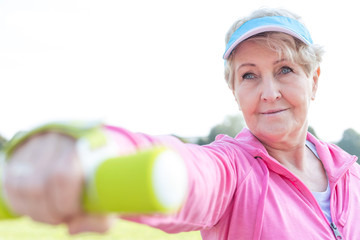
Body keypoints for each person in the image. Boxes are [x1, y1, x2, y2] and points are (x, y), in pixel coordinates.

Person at [3, 8, 360, 240]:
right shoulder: (233, 169)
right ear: (234, 90)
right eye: (249, 76)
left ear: (313, 79)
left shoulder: (351, 177)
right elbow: (193, 173)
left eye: (284, 70)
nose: (268, 93)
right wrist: (97, 154)